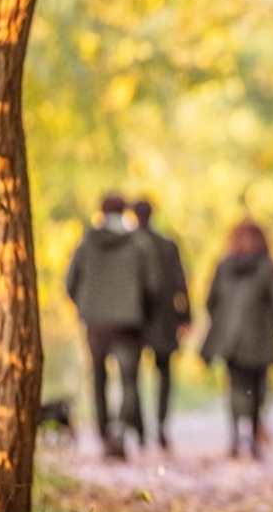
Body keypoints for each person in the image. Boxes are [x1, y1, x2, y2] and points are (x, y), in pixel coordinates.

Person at [65, 193, 161, 459]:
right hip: (128, 323)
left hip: (96, 322)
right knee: (129, 380)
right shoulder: (139, 243)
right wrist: (142, 311)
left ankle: (103, 435)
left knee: (98, 379)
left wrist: (86, 306)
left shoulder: (87, 242)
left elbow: (71, 282)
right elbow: (152, 286)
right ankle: (119, 430)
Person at [200, 220, 273, 459]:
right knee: (258, 388)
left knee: (235, 387)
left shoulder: (224, 266)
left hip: (230, 339)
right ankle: (254, 438)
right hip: (260, 337)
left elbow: (211, 301)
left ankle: (236, 436)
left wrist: (224, 322)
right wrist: (266, 322)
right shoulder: (267, 266)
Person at [131, 198, 192, 450]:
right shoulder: (168, 245)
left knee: (130, 376)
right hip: (165, 318)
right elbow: (181, 282)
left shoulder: (129, 243)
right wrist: (186, 316)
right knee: (164, 374)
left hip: (134, 318)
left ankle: (140, 430)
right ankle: (161, 426)